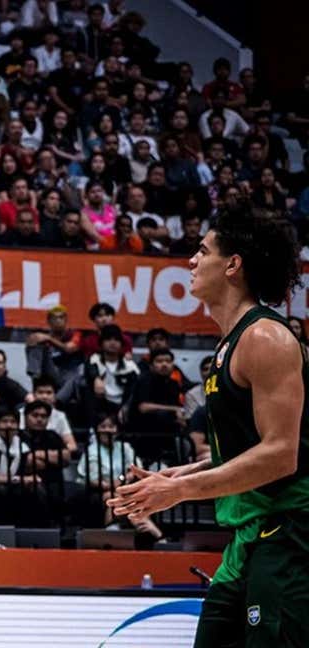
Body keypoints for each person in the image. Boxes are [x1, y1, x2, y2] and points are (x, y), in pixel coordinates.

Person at [109, 209, 309, 646]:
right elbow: (237, 458)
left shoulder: (265, 339)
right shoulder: (227, 345)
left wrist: (178, 492)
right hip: (249, 539)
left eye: (202, 251)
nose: (192, 261)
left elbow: (280, 454)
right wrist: (172, 477)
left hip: (290, 535)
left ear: (233, 265)